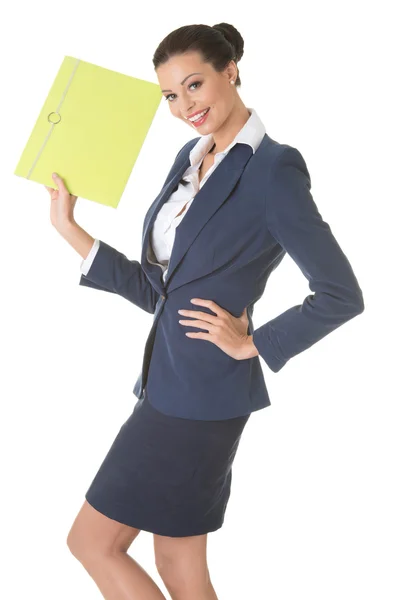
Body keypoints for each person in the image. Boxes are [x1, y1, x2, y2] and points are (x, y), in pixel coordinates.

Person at [46, 22, 364, 600]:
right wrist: (72, 230)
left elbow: (341, 293)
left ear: (231, 71)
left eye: (194, 85)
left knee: (93, 542)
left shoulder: (274, 170)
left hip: (198, 402)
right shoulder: (188, 160)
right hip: (166, 387)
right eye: (170, 95)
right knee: (176, 558)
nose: (184, 105)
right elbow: (159, 291)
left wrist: (255, 342)